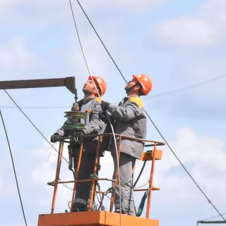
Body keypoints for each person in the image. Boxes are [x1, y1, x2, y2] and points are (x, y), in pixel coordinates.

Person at [50, 76, 107, 212]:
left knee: (86, 175)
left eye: (90, 82)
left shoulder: (98, 104)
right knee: (79, 175)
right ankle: (79, 204)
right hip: (77, 146)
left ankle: (86, 204)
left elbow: (96, 123)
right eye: (87, 81)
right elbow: (70, 124)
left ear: (96, 90)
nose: (86, 82)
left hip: (91, 146)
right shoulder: (79, 104)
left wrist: (84, 132)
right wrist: (59, 133)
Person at [102, 74, 153, 215]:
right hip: (123, 144)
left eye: (132, 81)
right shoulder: (127, 101)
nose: (128, 82)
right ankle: (127, 211)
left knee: (121, 179)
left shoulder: (135, 102)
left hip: (127, 144)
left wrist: (109, 106)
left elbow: (126, 114)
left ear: (137, 87)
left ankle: (123, 211)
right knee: (123, 179)